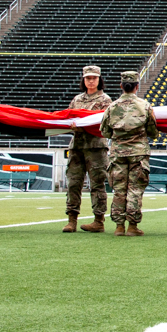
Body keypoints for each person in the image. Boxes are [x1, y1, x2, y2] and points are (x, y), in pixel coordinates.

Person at [99, 71, 158, 236]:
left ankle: (119, 226)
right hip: (139, 153)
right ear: (137, 86)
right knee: (135, 189)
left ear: (121, 86)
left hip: (118, 153)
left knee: (119, 189)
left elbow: (105, 132)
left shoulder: (112, 107)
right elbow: (153, 132)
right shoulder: (145, 106)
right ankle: (132, 226)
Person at [63, 65, 112, 234]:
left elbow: (106, 122)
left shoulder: (106, 100)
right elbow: (68, 118)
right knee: (73, 183)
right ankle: (72, 219)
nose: (91, 81)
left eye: (94, 78)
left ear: (99, 80)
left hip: (96, 147)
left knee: (97, 184)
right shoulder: (77, 99)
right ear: (83, 80)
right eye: (88, 78)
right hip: (77, 146)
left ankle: (99, 220)